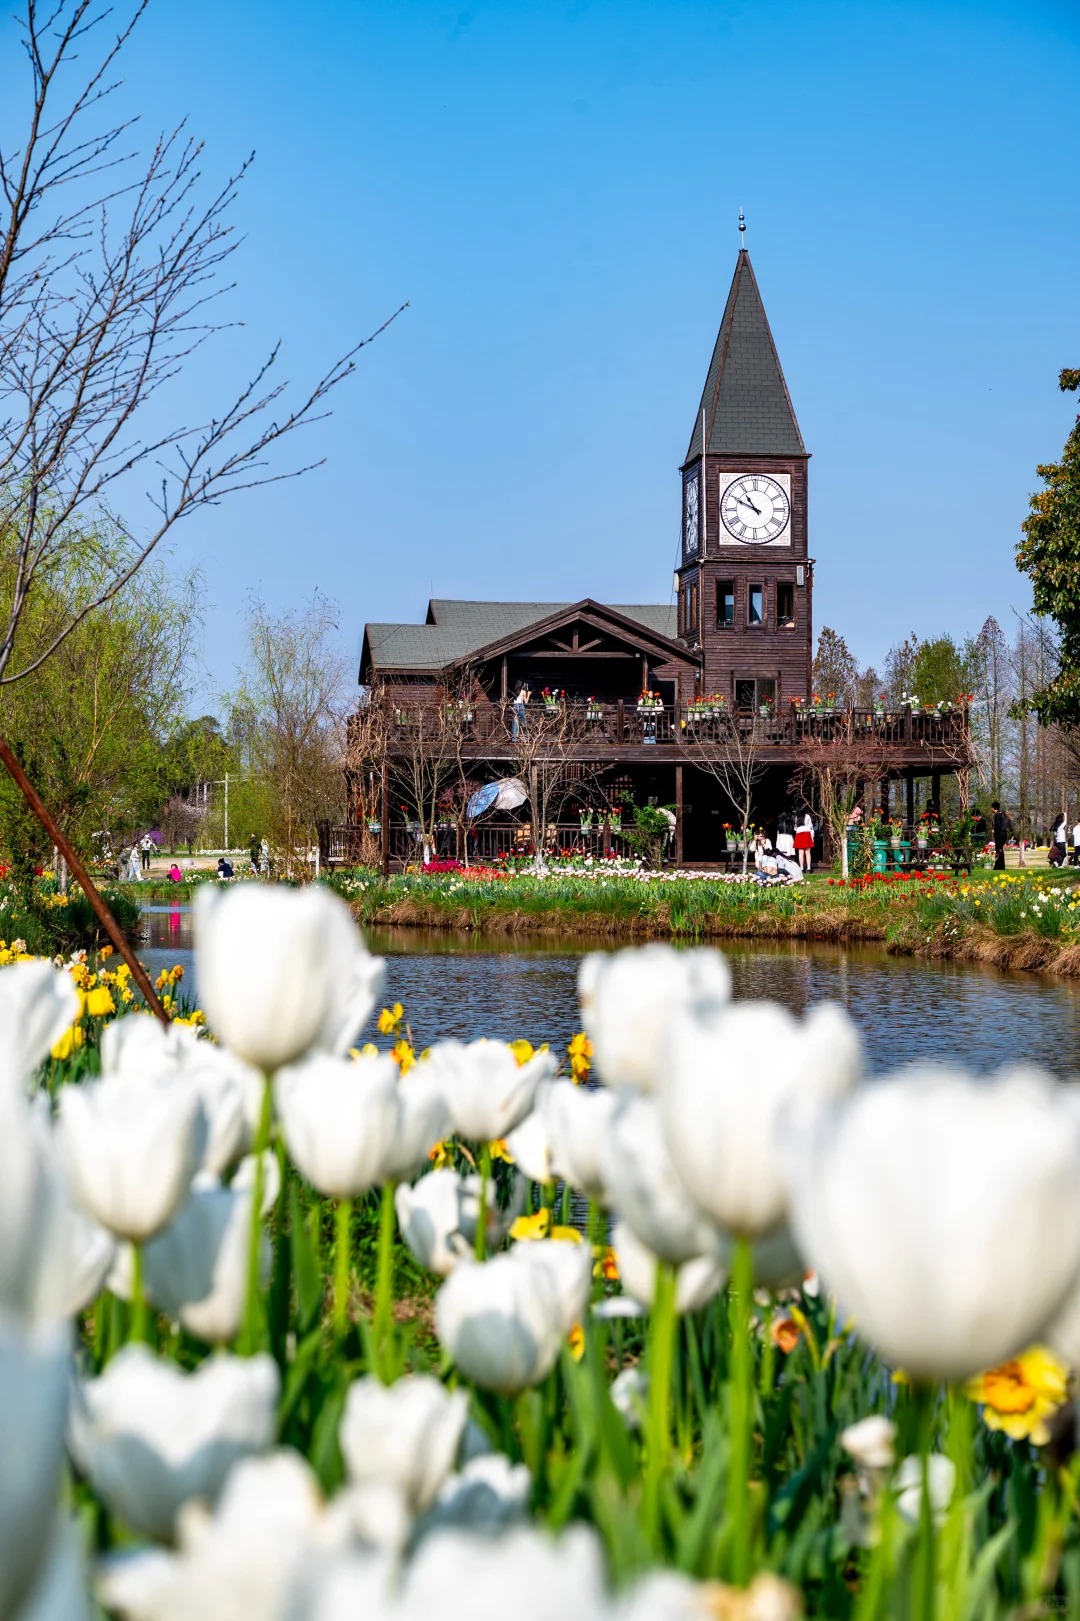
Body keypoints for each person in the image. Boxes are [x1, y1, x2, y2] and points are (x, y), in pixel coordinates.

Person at [991, 801, 1009, 871]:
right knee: (1000, 850)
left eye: (991, 808)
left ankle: (998, 866)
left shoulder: (997, 815)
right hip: (1003, 834)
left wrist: (994, 830)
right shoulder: (1002, 814)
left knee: (998, 850)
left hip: (999, 834)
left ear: (993, 808)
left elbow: (998, 825)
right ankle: (1001, 866)